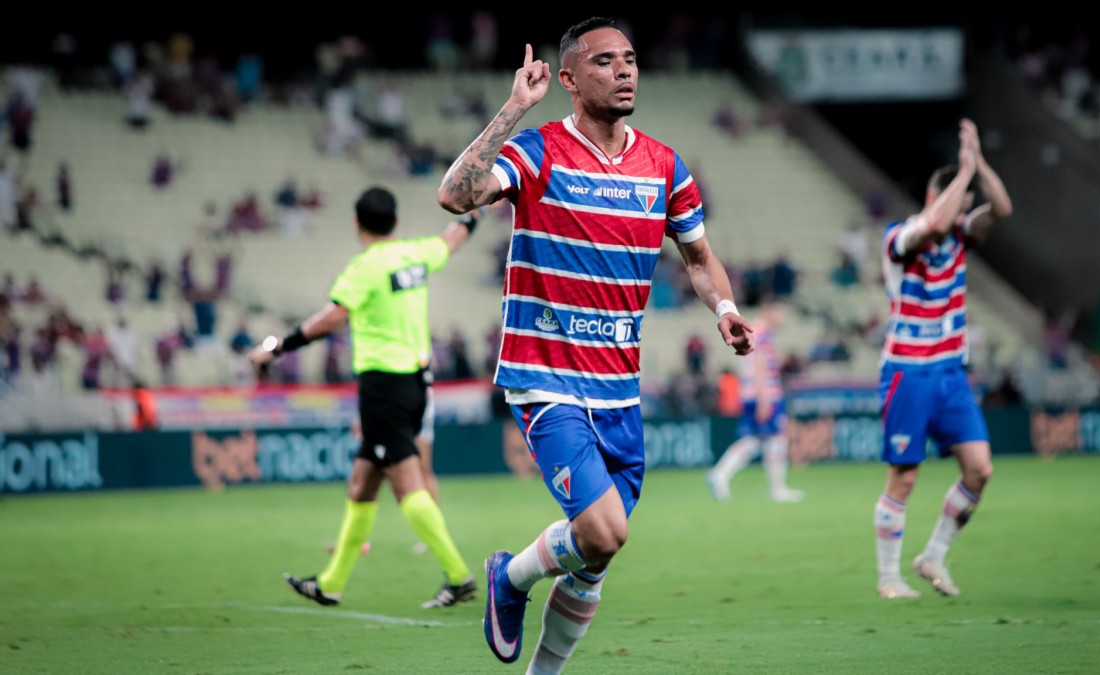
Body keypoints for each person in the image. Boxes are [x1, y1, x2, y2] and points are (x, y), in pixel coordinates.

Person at [436, 18, 754, 672]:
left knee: (596, 553)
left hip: (620, 391)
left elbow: (699, 257)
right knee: (607, 530)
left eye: (630, 59)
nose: (625, 70)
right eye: (606, 62)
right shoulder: (539, 150)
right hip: (547, 380)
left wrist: (723, 306)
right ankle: (511, 577)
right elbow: (455, 194)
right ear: (572, 80)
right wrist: (514, 108)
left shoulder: (664, 165)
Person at [250, 187, 481, 609]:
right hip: (414, 385)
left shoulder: (364, 268)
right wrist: (474, 215)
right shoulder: (416, 254)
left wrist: (277, 347)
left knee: (406, 486)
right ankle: (331, 584)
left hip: (384, 387)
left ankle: (458, 576)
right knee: (361, 484)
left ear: (357, 224)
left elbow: (333, 318)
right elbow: (452, 239)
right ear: (394, 221)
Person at [873, 119, 1012, 599]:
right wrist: (961, 176)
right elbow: (933, 223)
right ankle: (889, 578)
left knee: (980, 469)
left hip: (951, 372)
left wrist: (980, 166)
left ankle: (933, 555)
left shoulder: (961, 239)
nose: (962, 211)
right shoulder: (899, 237)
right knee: (904, 477)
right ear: (936, 196)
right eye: (956, 200)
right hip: (907, 373)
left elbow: (1003, 208)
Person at [706, 303, 803, 503]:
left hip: (752, 393)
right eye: (780, 311)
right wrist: (764, 397)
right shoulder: (763, 334)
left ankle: (721, 474)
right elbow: (759, 365)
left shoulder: (753, 331)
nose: (783, 317)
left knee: (754, 441)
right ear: (768, 311)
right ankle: (777, 489)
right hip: (764, 395)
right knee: (775, 439)